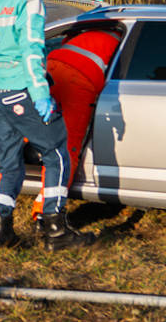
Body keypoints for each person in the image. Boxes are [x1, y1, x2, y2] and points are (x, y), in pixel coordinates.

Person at [0, 0, 83, 251]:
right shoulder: (30, 2)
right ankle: (55, 229)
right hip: (21, 89)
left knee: (9, 163)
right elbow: (33, 53)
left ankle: (1, 228)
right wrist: (41, 96)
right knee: (57, 153)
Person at [42, 19, 124, 210]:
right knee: (67, 148)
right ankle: (46, 211)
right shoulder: (122, 39)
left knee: (34, 126)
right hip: (79, 80)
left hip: (51, 68)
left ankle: (26, 148)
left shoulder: (88, 28)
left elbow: (63, 42)